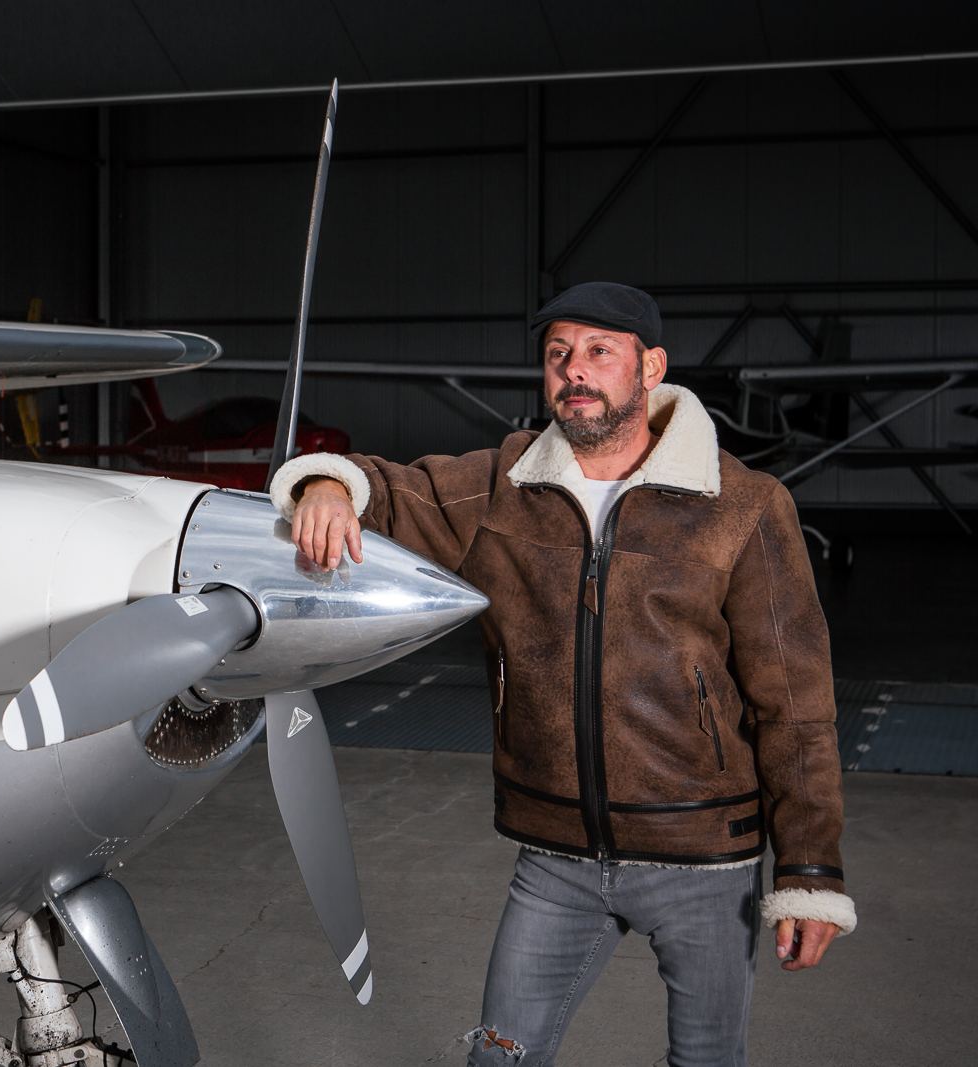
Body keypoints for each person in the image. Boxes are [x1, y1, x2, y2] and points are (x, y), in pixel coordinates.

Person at [270, 282, 854, 1067]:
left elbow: (796, 702)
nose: (574, 369)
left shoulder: (743, 505)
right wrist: (327, 486)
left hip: (704, 856)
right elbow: (391, 488)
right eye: (558, 353)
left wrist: (811, 867)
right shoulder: (506, 485)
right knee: (500, 1058)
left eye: (599, 351)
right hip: (555, 860)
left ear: (651, 368)